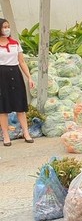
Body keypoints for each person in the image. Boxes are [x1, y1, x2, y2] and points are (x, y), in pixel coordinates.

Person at [0, 18, 35, 146]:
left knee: (20, 105)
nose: (7, 29)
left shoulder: (15, 43)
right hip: (1, 75)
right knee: (3, 108)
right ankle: (6, 135)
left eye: (8, 26)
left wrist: (29, 77)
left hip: (15, 73)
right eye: (4, 27)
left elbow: (21, 61)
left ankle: (26, 132)